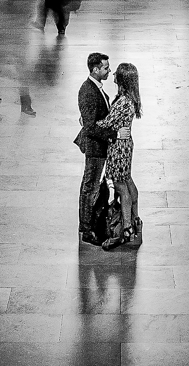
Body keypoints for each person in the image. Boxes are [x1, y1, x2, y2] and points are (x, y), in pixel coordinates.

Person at [98, 62, 143, 250]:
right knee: (127, 180)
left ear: (122, 79)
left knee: (120, 185)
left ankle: (125, 229)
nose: (113, 73)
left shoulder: (123, 101)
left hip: (118, 147)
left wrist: (88, 122)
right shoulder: (129, 98)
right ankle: (135, 219)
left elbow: (107, 123)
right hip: (126, 145)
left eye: (117, 72)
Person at [74, 53, 117, 246]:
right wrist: (111, 133)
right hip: (95, 147)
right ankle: (86, 228)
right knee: (89, 186)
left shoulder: (95, 88)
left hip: (99, 146)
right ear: (95, 69)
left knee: (90, 185)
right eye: (106, 68)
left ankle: (88, 223)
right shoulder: (88, 91)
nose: (109, 70)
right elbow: (90, 126)